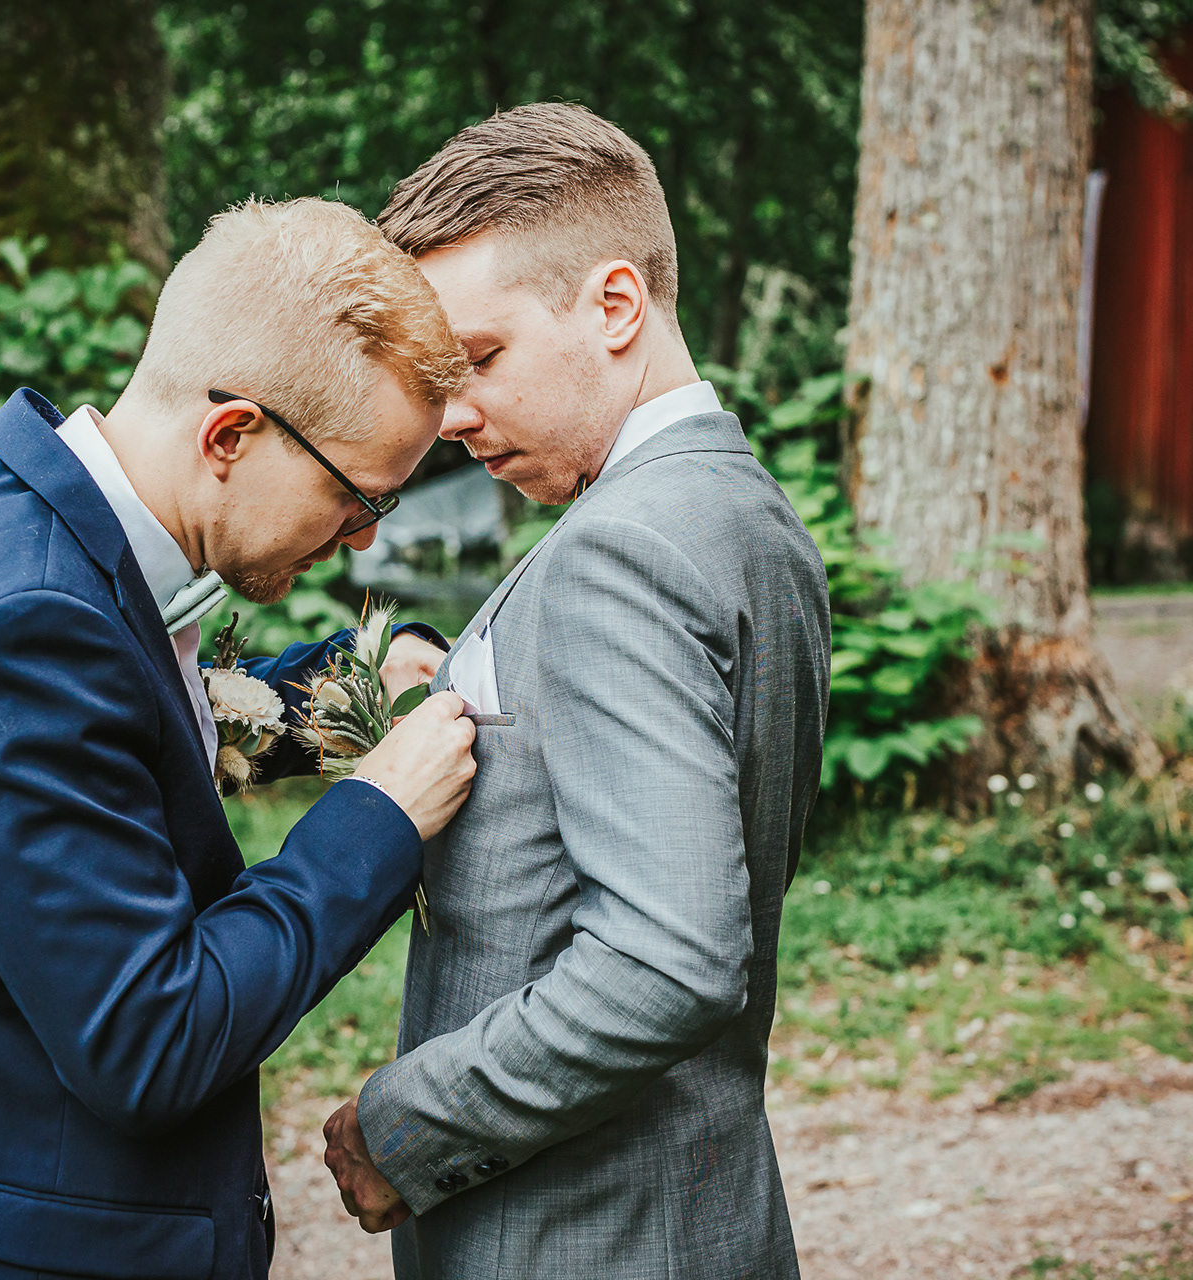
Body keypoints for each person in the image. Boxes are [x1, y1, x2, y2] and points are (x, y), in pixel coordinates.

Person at [0, 197, 474, 1280]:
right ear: (231, 435)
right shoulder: (23, 626)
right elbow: (151, 1036)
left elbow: (125, 728)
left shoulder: (17, 507)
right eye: (359, 497)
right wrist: (382, 817)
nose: (363, 539)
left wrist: (344, 683)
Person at [321, 104, 833, 1279]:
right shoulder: (746, 512)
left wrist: (408, 1124)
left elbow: (669, 959)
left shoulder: (621, 549)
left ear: (614, 306)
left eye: (480, 359)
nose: (451, 417)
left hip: (578, 1236)